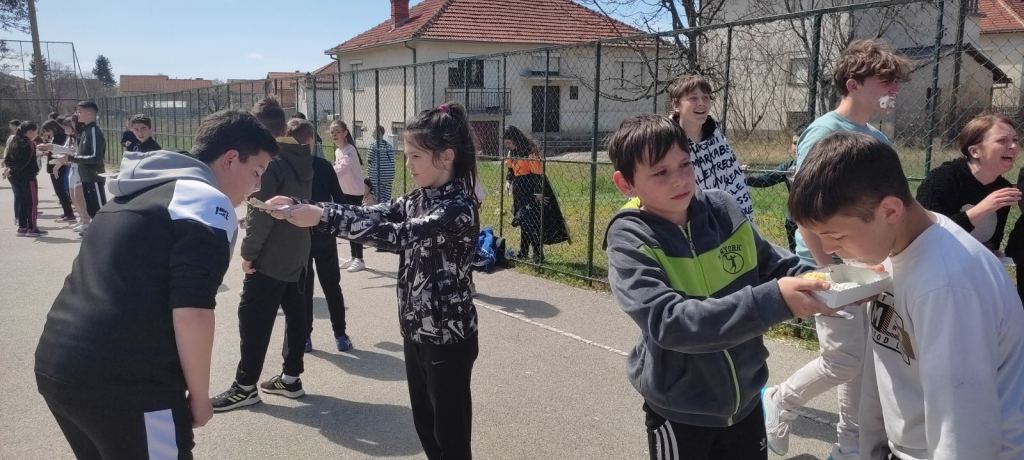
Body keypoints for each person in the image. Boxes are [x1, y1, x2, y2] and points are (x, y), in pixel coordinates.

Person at [34, 109, 278, 458]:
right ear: (229, 159)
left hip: (58, 363)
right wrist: (200, 396)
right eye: (257, 172)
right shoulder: (207, 203)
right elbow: (193, 312)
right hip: (131, 380)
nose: (257, 186)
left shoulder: (136, 190)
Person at [603, 114, 843, 460]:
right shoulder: (630, 239)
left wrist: (833, 281)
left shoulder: (722, 208)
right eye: (660, 172)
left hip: (746, 400)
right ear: (626, 184)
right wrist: (774, 300)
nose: (680, 180)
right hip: (681, 412)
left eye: (685, 164)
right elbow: (669, 321)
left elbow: (775, 265)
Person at [790, 131, 1024, 460]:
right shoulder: (893, 250)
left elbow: (962, 432)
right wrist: (870, 449)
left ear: (890, 211)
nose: (827, 249)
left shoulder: (946, 286)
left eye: (836, 235)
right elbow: (885, 362)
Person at [266, 102, 480, 460]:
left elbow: (397, 235)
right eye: (406, 155)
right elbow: (370, 213)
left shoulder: (457, 207)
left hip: (449, 338)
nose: (408, 165)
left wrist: (320, 217)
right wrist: (299, 204)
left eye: (415, 156)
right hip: (415, 332)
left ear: (446, 157)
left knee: (451, 435)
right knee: (427, 428)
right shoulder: (417, 199)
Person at [762, 39, 912, 460]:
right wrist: (829, 267)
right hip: (828, 263)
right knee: (844, 361)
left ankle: (850, 447)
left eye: (895, 81)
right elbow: (806, 209)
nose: (893, 88)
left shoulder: (877, 138)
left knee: (861, 363)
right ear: (853, 84)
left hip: (868, 265)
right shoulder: (824, 132)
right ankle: (779, 399)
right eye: (885, 80)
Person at [211, 98, 314, 412]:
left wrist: (248, 253)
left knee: (253, 319)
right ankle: (291, 377)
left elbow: (262, 211)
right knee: (296, 315)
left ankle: (245, 386)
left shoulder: (268, 160)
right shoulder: (303, 155)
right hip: (298, 250)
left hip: (270, 255)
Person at [287, 118, 354, 353]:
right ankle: (340, 335)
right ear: (312, 141)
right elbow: (340, 200)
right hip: (323, 230)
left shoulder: (286, 168)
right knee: (331, 285)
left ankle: (305, 337)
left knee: (304, 287)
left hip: (298, 234)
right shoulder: (324, 166)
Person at [669, 74, 754, 219]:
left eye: (706, 98)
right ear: (676, 105)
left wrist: (744, 223)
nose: (701, 103)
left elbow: (737, 185)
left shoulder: (719, 143)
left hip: (719, 223)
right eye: (693, 98)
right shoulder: (665, 142)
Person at [502, 125, 570, 263]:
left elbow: (537, 176)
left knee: (532, 222)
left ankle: (538, 255)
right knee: (523, 221)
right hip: (519, 192)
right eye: (506, 144)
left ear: (516, 139)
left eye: (509, 143)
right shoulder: (512, 152)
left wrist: (538, 194)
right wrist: (508, 181)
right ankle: (523, 253)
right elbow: (511, 170)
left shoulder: (530, 151)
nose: (508, 146)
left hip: (531, 191)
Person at [744, 133, 800, 252]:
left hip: (815, 217)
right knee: (796, 253)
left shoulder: (818, 164)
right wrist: (744, 176)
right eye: (795, 143)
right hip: (793, 219)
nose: (797, 147)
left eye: (801, 142)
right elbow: (767, 180)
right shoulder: (789, 166)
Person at [57, 101, 106, 218]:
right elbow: (82, 155)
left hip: (93, 177)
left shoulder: (93, 130)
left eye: (79, 112)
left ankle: (105, 229)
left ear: (89, 113)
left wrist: (71, 158)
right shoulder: (85, 130)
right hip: (85, 177)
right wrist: (70, 158)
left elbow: (95, 157)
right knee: (92, 210)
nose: (77, 114)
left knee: (100, 211)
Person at [330, 120, 367, 272]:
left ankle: (360, 259)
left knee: (354, 226)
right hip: (345, 192)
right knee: (348, 226)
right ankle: (353, 257)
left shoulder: (350, 150)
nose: (334, 135)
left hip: (354, 193)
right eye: (332, 132)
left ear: (345, 133)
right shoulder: (338, 151)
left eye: (337, 131)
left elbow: (340, 169)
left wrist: (326, 172)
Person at [4, 121, 44, 237]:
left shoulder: (13, 141)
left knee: (22, 201)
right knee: (32, 203)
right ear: (30, 132)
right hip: (27, 177)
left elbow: (7, 159)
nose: (37, 134)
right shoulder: (29, 144)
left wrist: (10, 169)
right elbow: (24, 162)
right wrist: (13, 169)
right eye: (36, 131)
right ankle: (32, 228)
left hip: (14, 177)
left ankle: (22, 227)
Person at [37, 119, 76, 222]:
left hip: (59, 166)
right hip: (55, 165)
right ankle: (67, 212)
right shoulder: (57, 136)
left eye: (47, 130)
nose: (46, 133)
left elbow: (62, 151)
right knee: (59, 190)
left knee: (60, 190)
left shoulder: (61, 136)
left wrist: (48, 148)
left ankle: (69, 213)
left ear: (53, 128)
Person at [367, 125, 395, 204]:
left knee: (377, 194)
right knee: (387, 193)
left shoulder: (373, 145)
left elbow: (369, 160)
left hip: (378, 175)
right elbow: (392, 159)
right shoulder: (389, 145)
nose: (372, 133)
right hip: (389, 175)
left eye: (373, 132)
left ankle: (379, 207)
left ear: (378, 133)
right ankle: (386, 205)